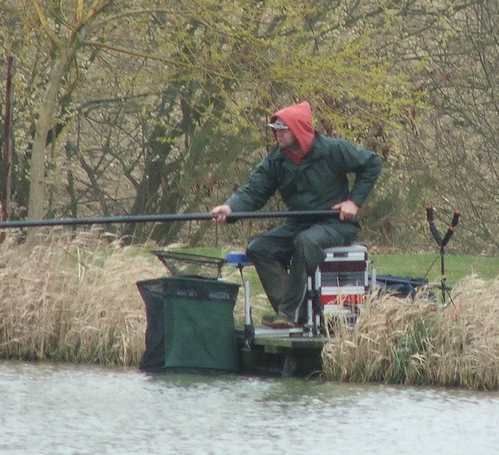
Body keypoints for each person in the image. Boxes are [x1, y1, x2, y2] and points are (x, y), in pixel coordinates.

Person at [211, 101, 382, 328]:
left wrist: (353, 202)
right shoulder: (276, 160)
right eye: (275, 130)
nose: (277, 135)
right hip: (299, 223)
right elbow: (254, 190)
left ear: (299, 130)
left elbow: (372, 163)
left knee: (306, 241)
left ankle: (288, 313)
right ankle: (295, 314)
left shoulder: (333, 150)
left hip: (335, 223)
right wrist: (230, 208)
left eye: (283, 130)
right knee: (259, 248)